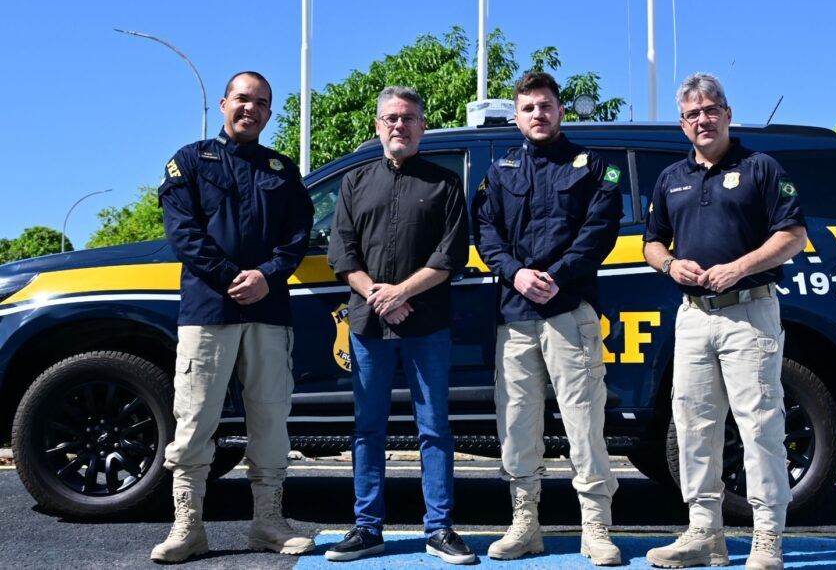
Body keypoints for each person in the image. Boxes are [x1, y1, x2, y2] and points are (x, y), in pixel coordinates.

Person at [643, 73, 807, 570]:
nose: (702, 120)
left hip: (750, 312)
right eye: (692, 114)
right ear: (682, 124)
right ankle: (704, 535)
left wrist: (741, 266)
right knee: (693, 426)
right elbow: (652, 241)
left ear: (728, 114)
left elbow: (794, 235)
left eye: (710, 110)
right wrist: (670, 264)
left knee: (760, 426)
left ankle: (767, 538)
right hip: (693, 318)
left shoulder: (761, 168)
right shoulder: (671, 178)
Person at [152, 71, 316, 563]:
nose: (251, 109)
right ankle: (188, 527)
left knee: (270, 418)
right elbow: (184, 233)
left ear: (269, 112)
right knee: (196, 419)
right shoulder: (190, 161)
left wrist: (267, 274)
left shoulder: (283, 171)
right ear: (224, 103)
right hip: (208, 310)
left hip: (268, 311)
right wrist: (230, 275)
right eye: (243, 99)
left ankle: (267, 524)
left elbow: (297, 236)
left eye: (261, 103)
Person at [472, 72, 623, 566]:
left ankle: (596, 527)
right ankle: (525, 523)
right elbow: (486, 232)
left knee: (584, 421)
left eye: (546, 105)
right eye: (529, 108)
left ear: (561, 111)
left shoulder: (591, 166)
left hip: (568, 311)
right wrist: (516, 274)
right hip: (515, 316)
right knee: (516, 423)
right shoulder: (500, 171)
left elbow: (598, 232)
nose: (538, 114)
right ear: (516, 117)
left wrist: (554, 276)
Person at [324, 86, 474, 565]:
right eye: (390, 118)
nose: (398, 126)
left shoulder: (445, 184)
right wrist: (378, 295)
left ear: (422, 126)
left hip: (426, 323)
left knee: (434, 429)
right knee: (368, 429)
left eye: (408, 118)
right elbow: (341, 253)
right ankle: (367, 528)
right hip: (368, 324)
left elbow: (450, 256)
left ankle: (440, 529)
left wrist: (401, 293)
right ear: (377, 126)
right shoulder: (354, 182)